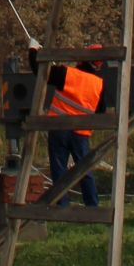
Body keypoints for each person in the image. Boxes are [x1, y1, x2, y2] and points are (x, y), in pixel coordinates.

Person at [44, 51, 105, 208]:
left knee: (59, 169)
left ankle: (62, 204)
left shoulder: (67, 73)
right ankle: (92, 205)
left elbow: (40, 71)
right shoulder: (98, 83)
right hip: (81, 132)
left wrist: (33, 51)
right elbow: (101, 110)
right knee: (85, 169)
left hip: (59, 128)